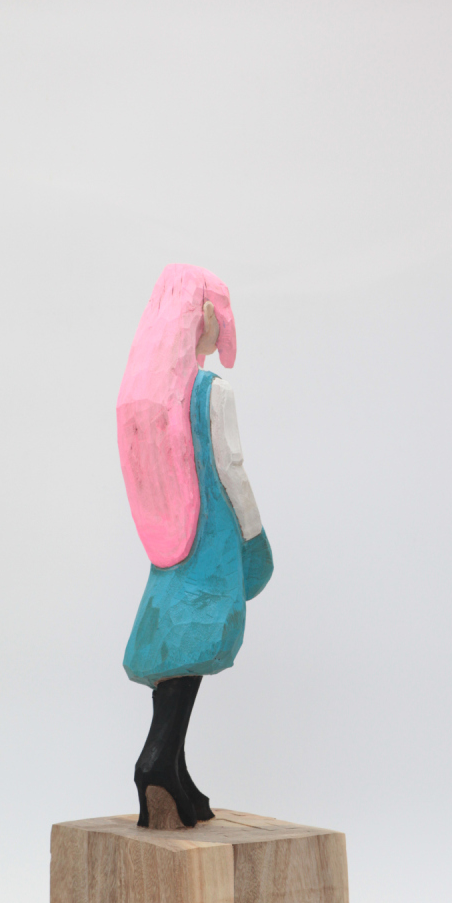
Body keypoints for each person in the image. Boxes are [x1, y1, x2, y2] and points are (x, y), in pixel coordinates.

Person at [117, 264, 273, 827]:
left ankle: (172, 769)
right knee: (194, 649)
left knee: (176, 654)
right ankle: (156, 761)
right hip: (211, 540)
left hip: (171, 545)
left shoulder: (151, 399)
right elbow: (232, 471)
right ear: (203, 315)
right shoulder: (211, 391)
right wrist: (255, 535)